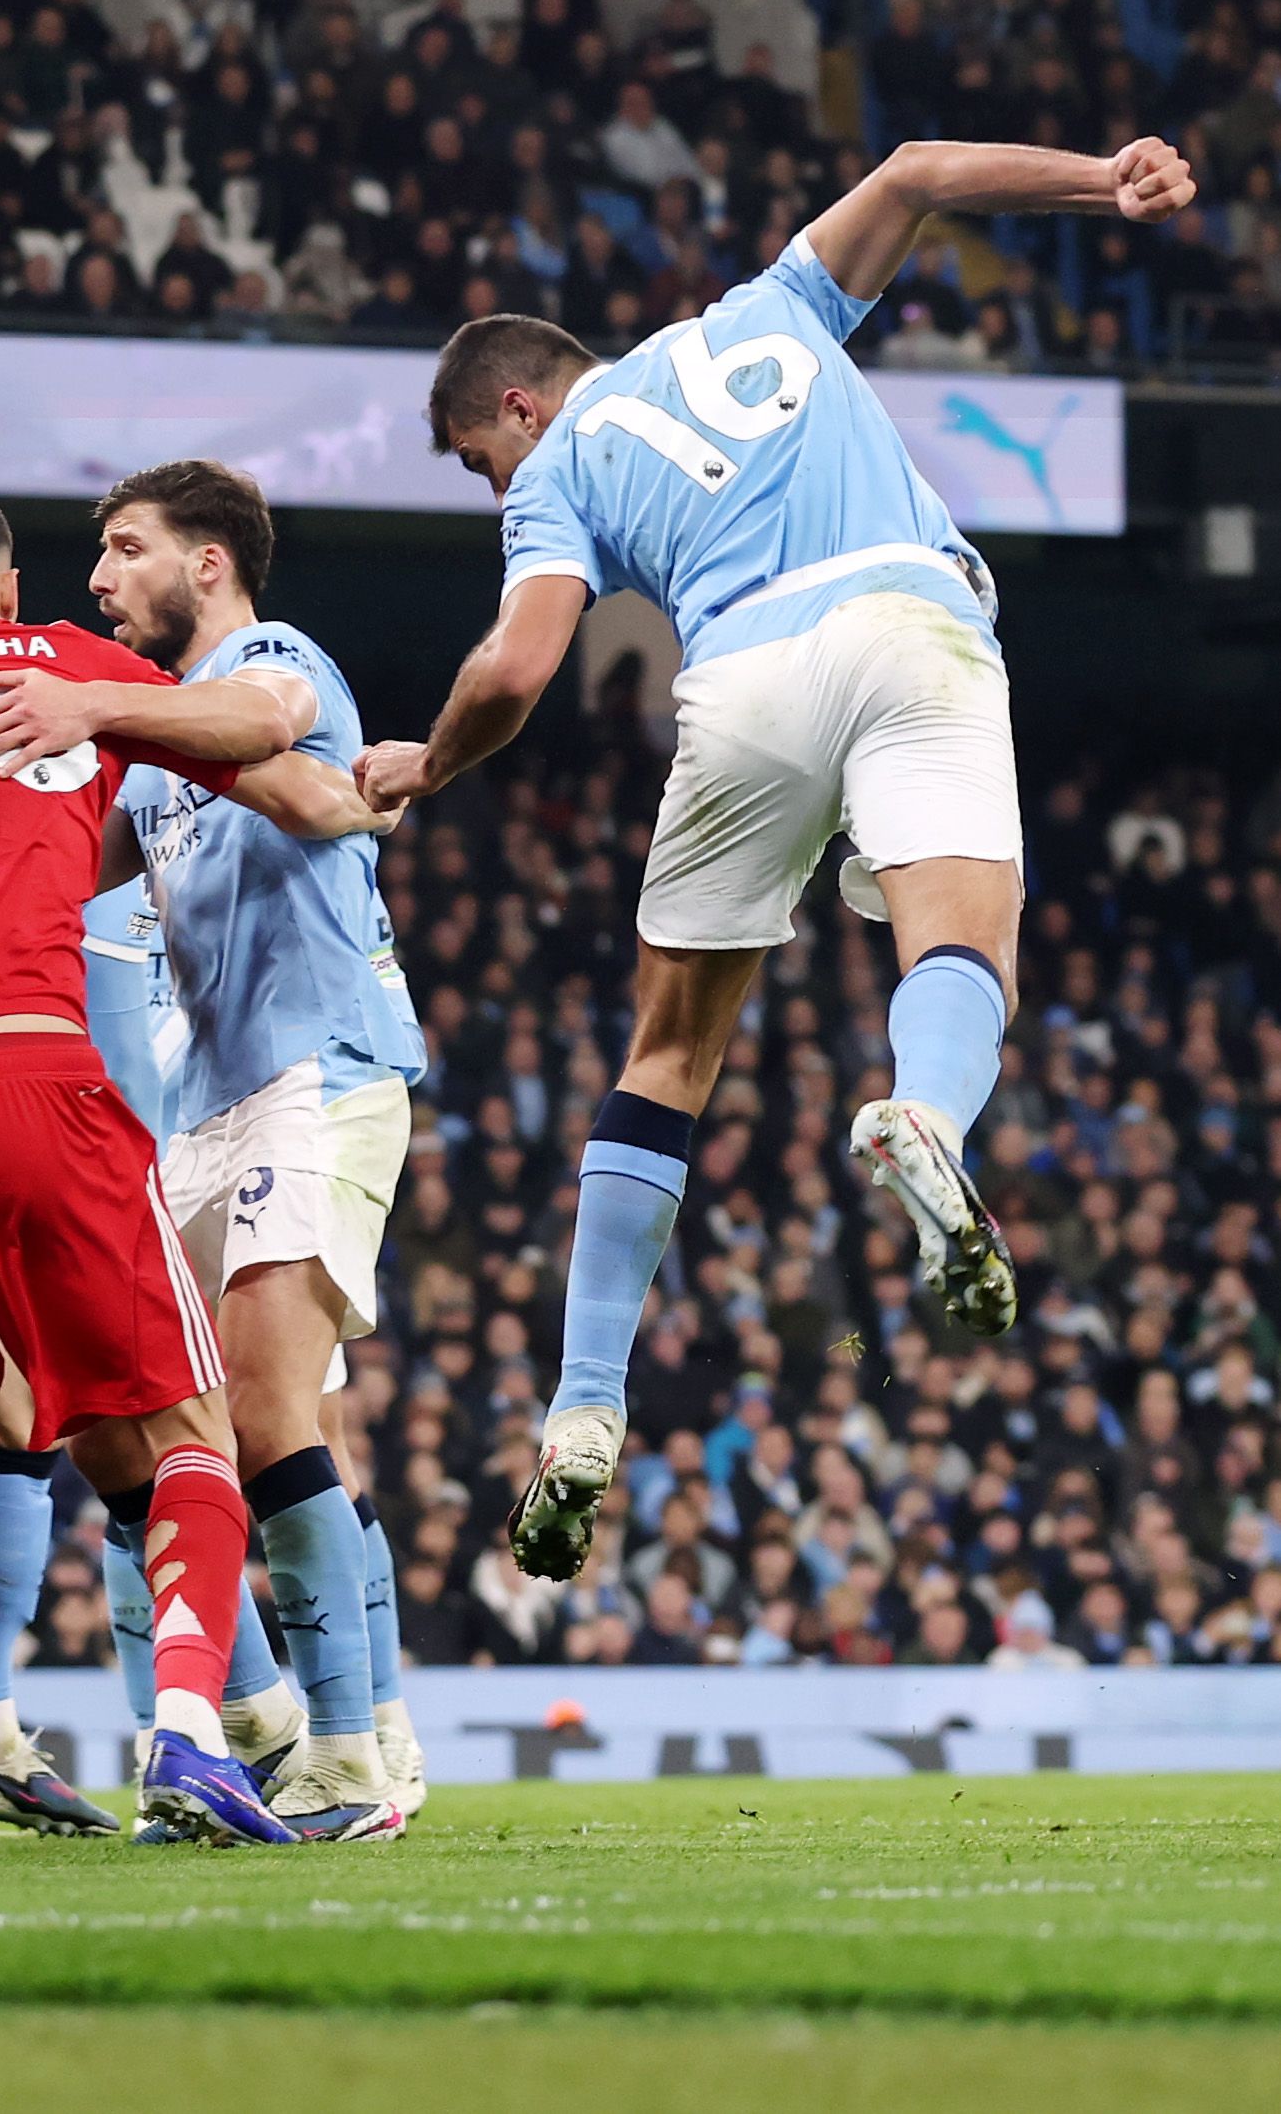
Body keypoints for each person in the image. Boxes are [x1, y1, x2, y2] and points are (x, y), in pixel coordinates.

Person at [359, 133, 1201, 1586]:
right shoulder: (763, 309)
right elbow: (920, 166)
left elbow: (511, 670)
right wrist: (1098, 183)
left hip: (741, 673)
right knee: (960, 941)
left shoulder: (555, 472)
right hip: (909, 620)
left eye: (474, 458)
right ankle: (926, 1115)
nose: (487, 484)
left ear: (514, 403)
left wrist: (430, 766)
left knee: (667, 1054)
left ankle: (580, 1405)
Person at [0, 483, 373, 1847]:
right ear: (6, 592)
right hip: (31, 1079)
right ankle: (194, 1736)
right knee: (190, 1431)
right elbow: (269, 729)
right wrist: (357, 802)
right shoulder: (52, 661)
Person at [0, 461, 428, 1840]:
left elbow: (267, 720)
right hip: (198, 1107)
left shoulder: (275, 663)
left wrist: (91, 698)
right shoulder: (163, 761)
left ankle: (346, 1761)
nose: (97, 581)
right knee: (164, 1437)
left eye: (121, 549)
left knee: (272, 1412)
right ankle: (277, 1732)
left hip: (314, 1079)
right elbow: (47, 860)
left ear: (206, 562)